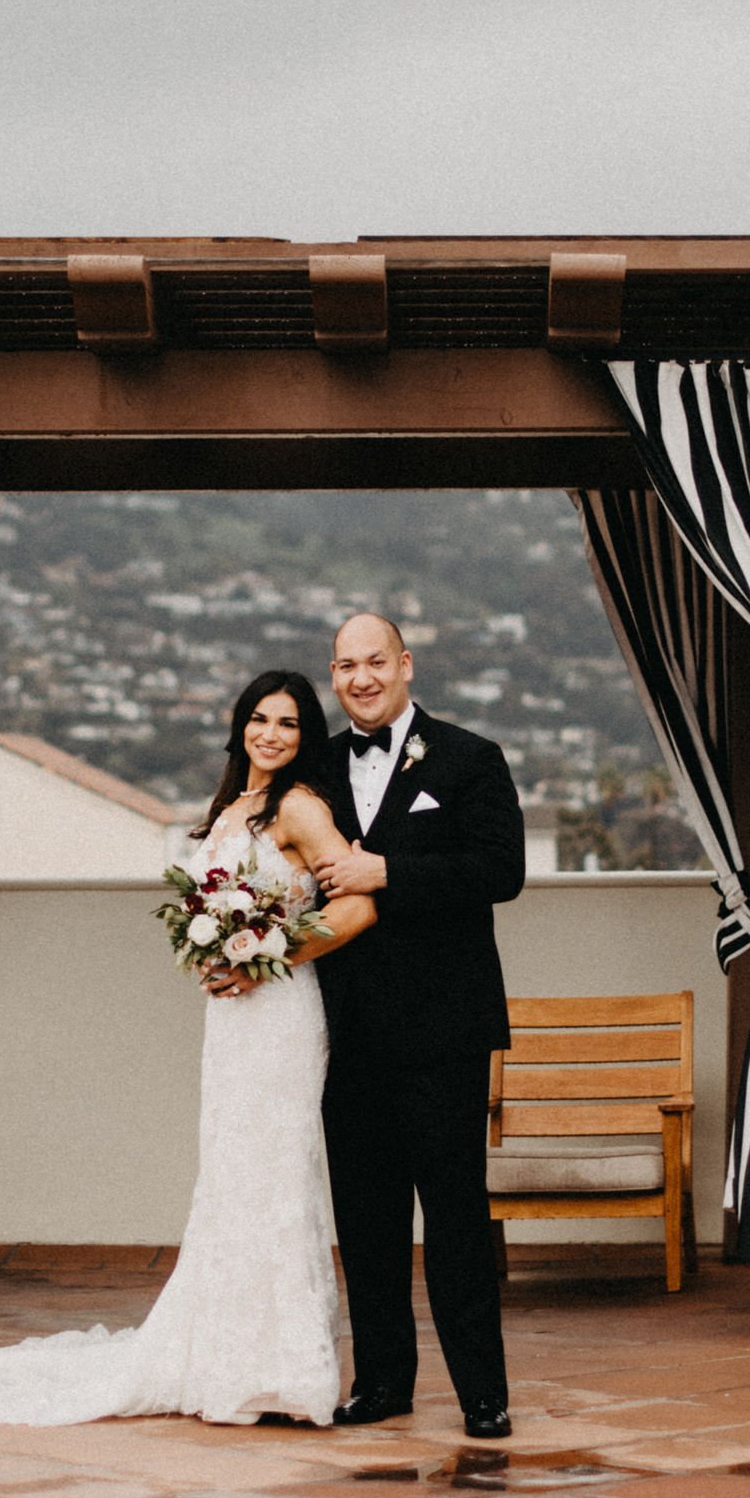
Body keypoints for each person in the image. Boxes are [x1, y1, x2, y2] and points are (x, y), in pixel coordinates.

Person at [0, 673, 374, 1431]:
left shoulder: (299, 807)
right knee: (228, 1173)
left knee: (274, 1172)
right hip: (231, 1022)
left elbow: (356, 902)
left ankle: (280, 1368)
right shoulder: (232, 809)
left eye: (288, 723)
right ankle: (224, 1354)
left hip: (282, 1014)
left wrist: (276, 948)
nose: (272, 734)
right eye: (259, 719)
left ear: (304, 737)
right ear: (239, 727)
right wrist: (213, 947)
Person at [310, 612, 526, 1440]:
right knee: (364, 1221)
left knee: (455, 1218)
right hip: (345, 1034)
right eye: (343, 666)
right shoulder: (319, 766)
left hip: (443, 1030)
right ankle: (382, 1384)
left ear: (406, 664)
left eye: (374, 661)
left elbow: (498, 871)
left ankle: (482, 1393)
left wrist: (386, 872)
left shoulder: (471, 758)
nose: (360, 678)